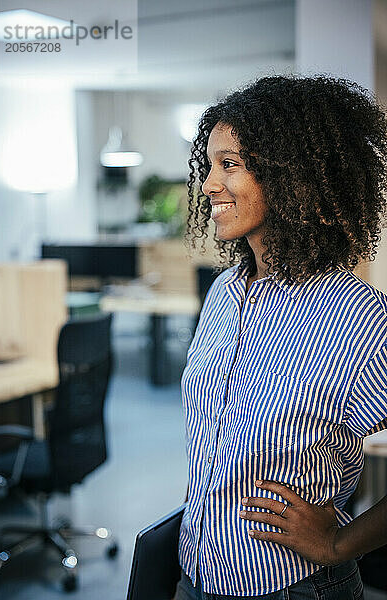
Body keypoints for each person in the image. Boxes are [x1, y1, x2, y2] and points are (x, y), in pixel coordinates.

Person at [175, 75, 387, 600]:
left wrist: (340, 544)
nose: (208, 185)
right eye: (209, 165)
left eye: (230, 164)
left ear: (294, 176)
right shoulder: (224, 291)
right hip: (195, 574)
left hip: (291, 587)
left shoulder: (354, 315)